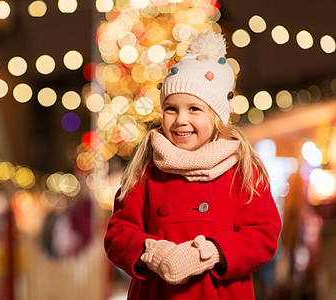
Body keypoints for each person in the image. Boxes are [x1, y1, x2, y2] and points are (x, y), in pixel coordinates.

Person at [104, 31, 282, 299]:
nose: (180, 120)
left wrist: (211, 252)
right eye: (171, 108)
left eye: (194, 109)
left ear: (218, 116)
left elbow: (263, 234)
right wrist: (152, 252)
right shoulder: (147, 172)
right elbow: (118, 233)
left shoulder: (241, 171)